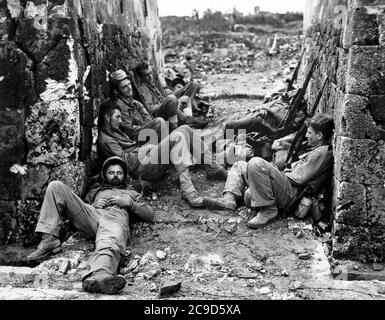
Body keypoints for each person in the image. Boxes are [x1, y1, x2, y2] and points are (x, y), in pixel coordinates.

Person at [27, 156, 154, 294]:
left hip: (114, 219)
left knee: (108, 242)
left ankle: (100, 276)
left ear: (124, 175)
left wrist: (129, 203)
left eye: (119, 173)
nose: (115, 176)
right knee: (55, 186)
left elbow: (148, 213)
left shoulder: (132, 193)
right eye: (111, 173)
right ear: (105, 175)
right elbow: (80, 207)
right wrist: (93, 204)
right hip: (92, 214)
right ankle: (49, 239)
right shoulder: (95, 191)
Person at [204, 114, 334, 228]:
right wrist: (273, 172)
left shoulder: (320, 154)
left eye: (310, 133)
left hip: (292, 194)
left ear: (320, 135)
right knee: (239, 165)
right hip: (287, 186)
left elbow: (298, 179)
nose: (307, 135)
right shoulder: (316, 149)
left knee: (257, 163)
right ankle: (229, 199)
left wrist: (271, 172)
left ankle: (269, 209)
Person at [97, 102, 227, 208]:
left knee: (185, 129)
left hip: (145, 159)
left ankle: (212, 167)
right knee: (177, 137)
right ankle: (188, 191)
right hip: (141, 167)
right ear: (107, 118)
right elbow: (128, 163)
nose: (120, 120)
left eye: (120, 117)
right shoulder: (107, 140)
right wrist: (145, 148)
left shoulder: (115, 131)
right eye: (117, 117)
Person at [109, 70, 168, 143]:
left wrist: (148, 126)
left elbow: (148, 118)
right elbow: (129, 130)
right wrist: (147, 127)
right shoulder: (118, 106)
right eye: (124, 87)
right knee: (159, 122)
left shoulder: (135, 103)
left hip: (143, 132)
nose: (129, 88)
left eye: (129, 84)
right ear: (116, 91)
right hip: (134, 139)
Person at [135, 61, 179, 130]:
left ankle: (188, 120)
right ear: (141, 77)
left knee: (181, 99)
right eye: (146, 75)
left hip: (163, 111)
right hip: (157, 116)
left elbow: (161, 96)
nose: (150, 76)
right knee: (171, 99)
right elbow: (150, 108)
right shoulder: (143, 88)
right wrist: (164, 104)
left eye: (150, 73)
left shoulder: (150, 83)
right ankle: (174, 127)